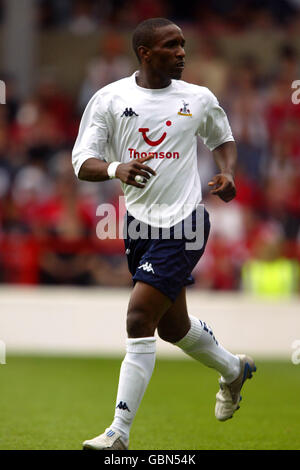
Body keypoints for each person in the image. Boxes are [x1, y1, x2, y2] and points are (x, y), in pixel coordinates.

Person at [72, 18, 256, 451]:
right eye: (171, 45)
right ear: (145, 53)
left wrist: (228, 173)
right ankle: (233, 370)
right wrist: (117, 168)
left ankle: (118, 433)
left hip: (186, 223)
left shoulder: (198, 98)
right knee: (173, 328)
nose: (181, 52)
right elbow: (82, 161)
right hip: (138, 225)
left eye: (183, 44)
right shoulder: (111, 99)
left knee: (139, 317)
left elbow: (222, 138)